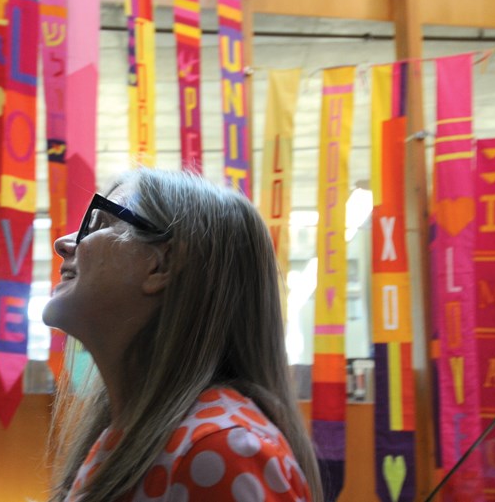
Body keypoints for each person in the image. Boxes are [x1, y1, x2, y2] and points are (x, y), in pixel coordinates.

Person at [43, 168, 323, 502]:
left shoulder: (224, 448)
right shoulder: (127, 436)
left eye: (99, 223)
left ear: (160, 265)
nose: (63, 244)